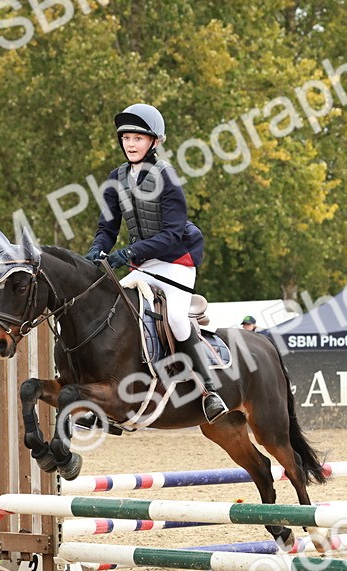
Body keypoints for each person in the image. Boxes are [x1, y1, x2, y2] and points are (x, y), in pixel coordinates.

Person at [86, 103, 227, 422]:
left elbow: (174, 233)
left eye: (138, 137)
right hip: (143, 265)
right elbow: (107, 228)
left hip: (176, 260)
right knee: (108, 312)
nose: (130, 144)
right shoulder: (115, 179)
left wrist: (128, 253)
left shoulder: (167, 177)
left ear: (154, 142)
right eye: (126, 138)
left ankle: (208, 390)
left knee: (176, 318)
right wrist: (97, 250)